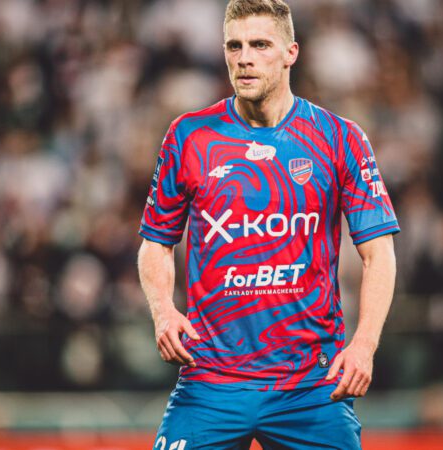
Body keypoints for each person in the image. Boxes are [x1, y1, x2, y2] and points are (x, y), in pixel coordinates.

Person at [137, 1, 398, 448]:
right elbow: (155, 243)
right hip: (211, 381)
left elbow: (379, 253)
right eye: (234, 46)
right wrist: (163, 312)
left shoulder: (340, 138)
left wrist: (364, 345)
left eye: (260, 45)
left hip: (310, 385)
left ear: (291, 52)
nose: (244, 58)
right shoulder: (189, 137)